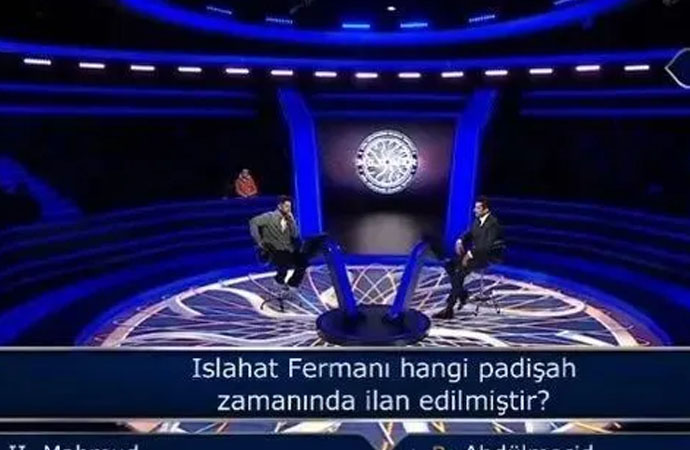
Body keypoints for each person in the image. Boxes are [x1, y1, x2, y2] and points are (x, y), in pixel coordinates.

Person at [434, 196, 502, 320]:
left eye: (478, 208)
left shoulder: (493, 224)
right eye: (475, 207)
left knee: (459, 274)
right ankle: (462, 293)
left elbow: (486, 246)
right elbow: (470, 233)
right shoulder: (477, 220)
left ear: (486, 210)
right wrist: (460, 240)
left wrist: (470, 254)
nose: (474, 210)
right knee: (449, 264)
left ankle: (449, 309)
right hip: (474, 253)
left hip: (485, 256)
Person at [249, 196, 308, 291]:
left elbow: (295, 234)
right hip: (274, 249)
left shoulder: (289, 219)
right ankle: (278, 281)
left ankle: (293, 284)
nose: (289, 209)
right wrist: (259, 241)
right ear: (280, 206)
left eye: (290, 206)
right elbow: (253, 222)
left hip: (288, 249)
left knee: (303, 262)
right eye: (286, 206)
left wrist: (292, 222)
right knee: (284, 263)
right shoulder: (269, 216)